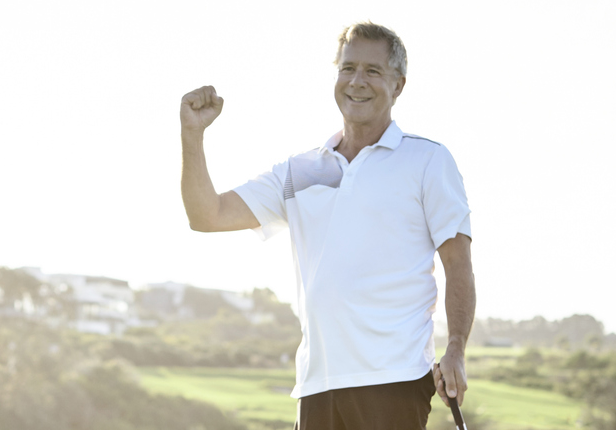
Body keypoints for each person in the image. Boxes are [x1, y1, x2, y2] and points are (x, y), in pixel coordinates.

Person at [177, 22, 476, 430]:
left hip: (394, 380)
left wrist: (456, 348)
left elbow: (458, 263)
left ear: (398, 85)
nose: (357, 81)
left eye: (372, 71)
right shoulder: (300, 170)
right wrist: (192, 136)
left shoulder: (428, 161)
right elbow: (207, 216)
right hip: (317, 385)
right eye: (347, 68)